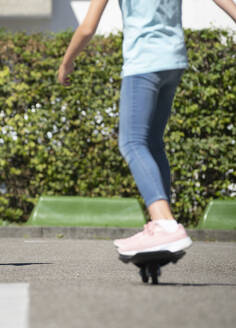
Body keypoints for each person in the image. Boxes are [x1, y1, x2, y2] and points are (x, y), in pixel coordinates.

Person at [58, 0, 236, 256]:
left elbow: (87, 28)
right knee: (153, 142)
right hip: (174, 59)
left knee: (132, 142)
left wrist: (66, 63)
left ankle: (164, 224)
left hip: (143, 62)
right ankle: (164, 223)